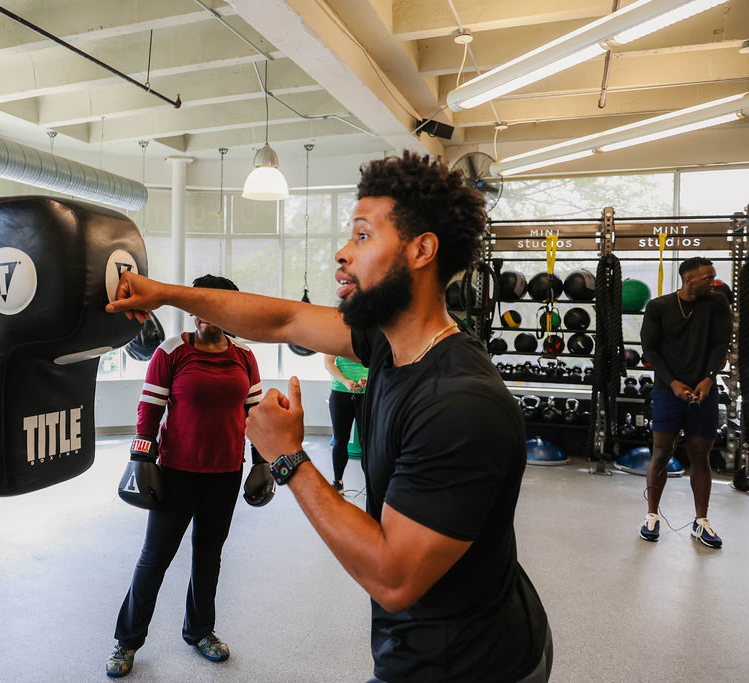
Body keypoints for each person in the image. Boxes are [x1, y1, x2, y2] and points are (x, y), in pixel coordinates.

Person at [107, 152, 551, 682]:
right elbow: (286, 317)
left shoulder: (460, 405)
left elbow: (392, 578)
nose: (342, 253)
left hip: (470, 664)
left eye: (362, 236)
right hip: (421, 646)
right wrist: (167, 295)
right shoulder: (389, 343)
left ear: (421, 250)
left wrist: (287, 457)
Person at [107, 275, 264, 678]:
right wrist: (142, 458)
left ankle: (199, 631)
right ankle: (126, 642)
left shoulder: (244, 356)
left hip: (226, 471)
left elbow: (256, 414)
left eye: (216, 305)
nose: (205, 313)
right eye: (200, 303)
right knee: (154, 558)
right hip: (176, 471)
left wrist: (262, 461)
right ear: (191, 308)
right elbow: (150, 410)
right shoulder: (171, 351)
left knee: (208, 557)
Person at [639, 257, 732, 548]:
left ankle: (701, 521)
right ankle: (651, 515)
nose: (713, 281)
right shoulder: (658, 307)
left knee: (701, 456)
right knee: (661, 454)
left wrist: (708, 378)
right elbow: (650, 349)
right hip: (668, 391)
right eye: (708, 277)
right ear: (689, 279)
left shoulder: (717, 304)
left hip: (705, 390)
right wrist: (673, 382)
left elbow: (721, 344)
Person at [323, 354, 367, 493]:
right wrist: (345, 381)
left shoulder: (374, 333)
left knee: (367, 442)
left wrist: (371, 379)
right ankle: (338, 482)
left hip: (368, 393)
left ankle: (372, 484)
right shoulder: (336, 334)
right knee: (340, 440)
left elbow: (384, 362)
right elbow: (329, 363)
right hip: (341, 392)